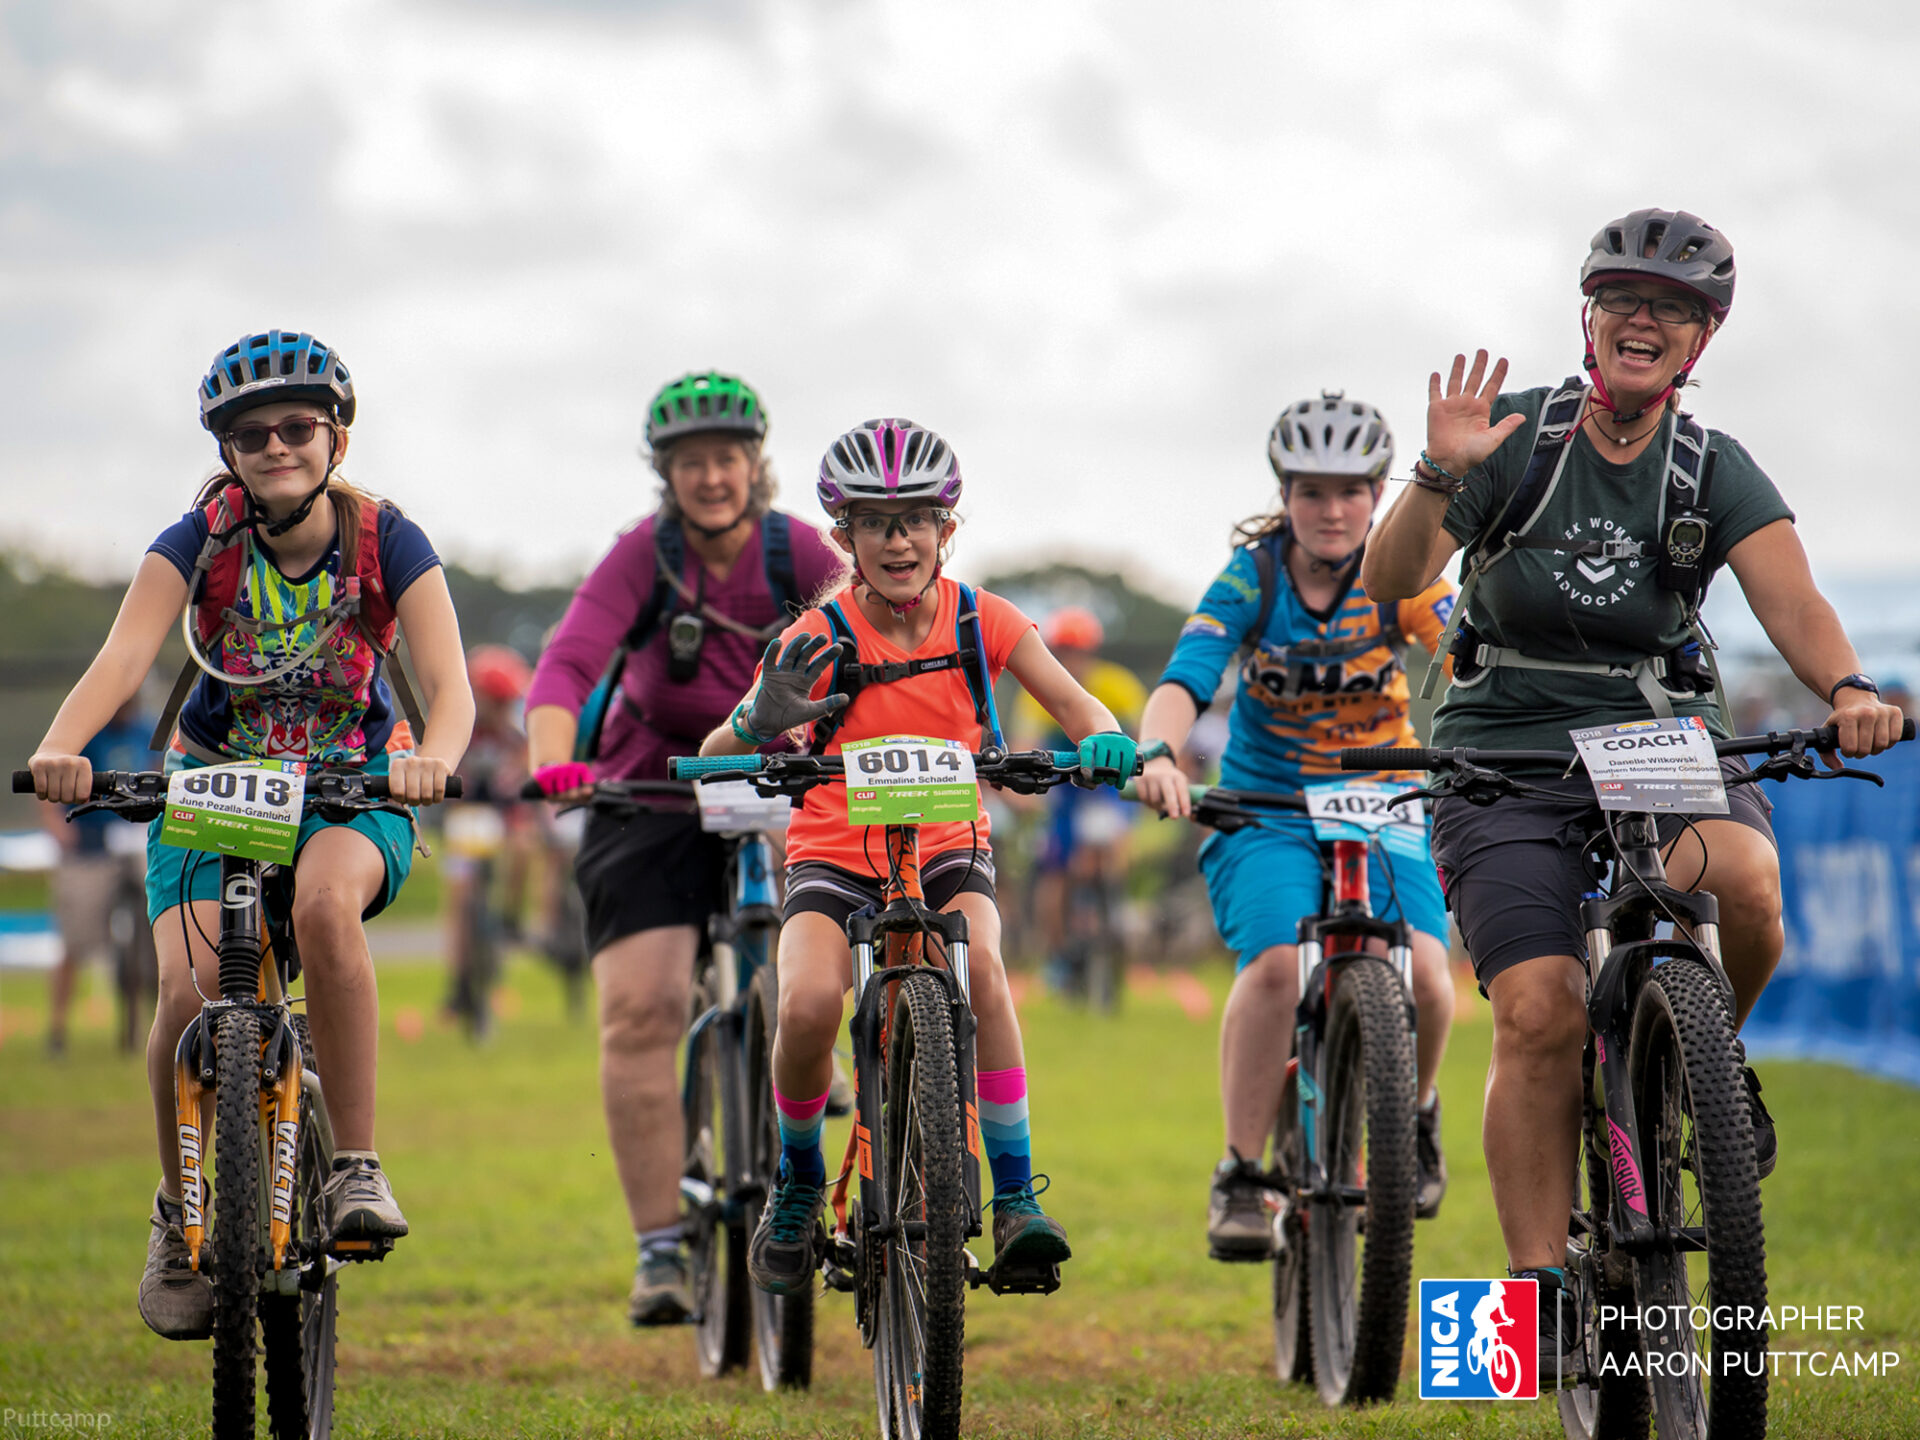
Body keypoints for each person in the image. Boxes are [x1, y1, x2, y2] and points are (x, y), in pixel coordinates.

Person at [1361, 208, 1907, 1376]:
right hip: (1502, 755)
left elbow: (1792, 600)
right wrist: (1437, 474)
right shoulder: (1514, 437)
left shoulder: (1712, 467)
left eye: (1671, 308)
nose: (1643, 320)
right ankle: (1535, 1298)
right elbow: (1389, 577)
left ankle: (1692, 1072)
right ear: (1590, 318)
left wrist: (1851, 684)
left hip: (1657, 739)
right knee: (1539, 1011)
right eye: (1623, 300)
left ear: (1701, 340)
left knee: (1748, 884)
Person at [25, 329, 471, 1341]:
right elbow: (121, 661)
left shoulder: (387, 539)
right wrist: (61, 747)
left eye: (297, 427)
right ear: (226, 449)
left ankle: (355, 1165)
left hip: (352, 786)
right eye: (251, 434)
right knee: (188, 994)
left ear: (336, 439)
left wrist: (434, 757)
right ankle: (178, 1214)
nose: (276, 447)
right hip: (218, 783)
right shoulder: (198, 542)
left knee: (324, 905)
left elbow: (451, 688)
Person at [697, 417, 1141, 1296]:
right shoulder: (816, 633)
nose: (897, 540)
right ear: (844, 538)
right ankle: (798, 1179)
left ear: (947, 529)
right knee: (807, 1002)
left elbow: (1078, 704)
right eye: (874, 523)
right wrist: (757, 719)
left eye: (915, 522)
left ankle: (1015, 1195)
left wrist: (1106, 737)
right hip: (836, 851)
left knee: (985, 974)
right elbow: (718, 753)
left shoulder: (984, 619)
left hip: (946, 845)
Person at [523, 371, 844, 1325]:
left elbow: (878, 634)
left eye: (727, 458)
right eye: (691, 462)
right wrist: (553, 761)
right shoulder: (645, 555)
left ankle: (812, 1055)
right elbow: (568, 663)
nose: (711, 477)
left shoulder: (799, 551)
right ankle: (661, 1247)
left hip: (781, 781)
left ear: (756, 464)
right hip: (651, 785)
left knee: (840, 924)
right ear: (666, 474)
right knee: (641, 1009)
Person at [1134, 390, 1458, 1261]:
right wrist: (1158, 753)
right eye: (1312, 491)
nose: (1333, 510)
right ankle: (1242, 1172)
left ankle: (1416, 1115)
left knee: (1431, 977)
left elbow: (1468, 652)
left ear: (1379, 494)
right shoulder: (1253, 578)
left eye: (1352, 491)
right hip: (1266, 805)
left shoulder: (1403, 571)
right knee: (1277, 966)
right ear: (1285, 494)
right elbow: (1187, 676)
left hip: (1383, 796)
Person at [1012, 607, 1147, 996]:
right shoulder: (1037, 688)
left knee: (1114, 847)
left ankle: (1112, 914)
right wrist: (1026, 795)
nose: (1073, 659)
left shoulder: (1118, 684)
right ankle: (1058, 954)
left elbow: (1143, 738)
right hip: (1064, 786)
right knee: (1055, 872)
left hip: (1108, 784)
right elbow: (1024, 743)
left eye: (1080, 651)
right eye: (1065, 652)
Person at [41, 697, 155, 1056]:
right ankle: (57, 1029)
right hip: (89, 846)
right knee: (75, 938)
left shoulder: (148, 730)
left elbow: (160, 773)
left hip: (138, 842)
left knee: (164, 924)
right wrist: (57, 827)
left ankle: (155, 1028)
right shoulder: (83, 730)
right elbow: (46, 775)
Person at [440, 644, 536, 1035]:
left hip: (503, 816)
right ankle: (458, 981)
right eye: (496, 701)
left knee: (524, 847)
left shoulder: (514, 737)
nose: (500, 709)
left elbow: (526, 773)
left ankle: (512, 917)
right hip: (467, 817)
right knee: (460, 895)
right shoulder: (460, 729)